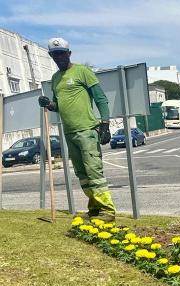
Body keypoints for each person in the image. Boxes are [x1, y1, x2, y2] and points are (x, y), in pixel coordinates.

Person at [38, 37, 115, 221]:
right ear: (51, 56)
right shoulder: (55, 79)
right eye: (55, 55)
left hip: (87, 130)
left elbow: (100, 98)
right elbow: (59, 105)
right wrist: (49, 104)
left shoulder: (83, 71)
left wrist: (105, 123)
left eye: (62, 54)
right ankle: (95, 208)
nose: (59, 57)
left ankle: (107, 211)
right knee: (82, 174)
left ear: (69, 54)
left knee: (94, 171)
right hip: (69, 132)